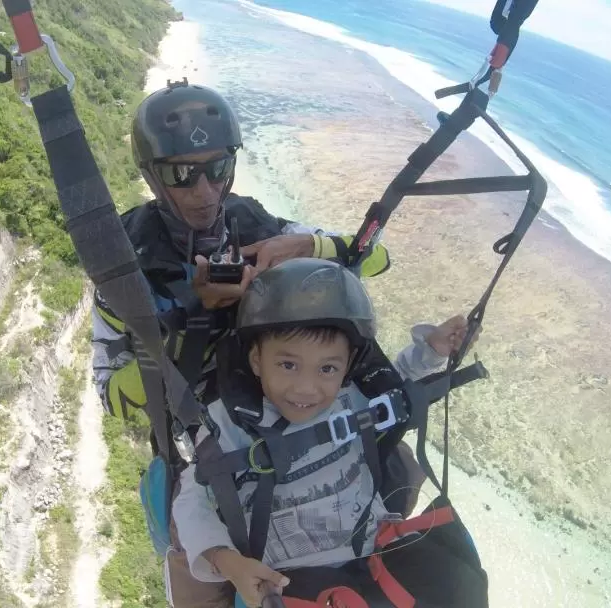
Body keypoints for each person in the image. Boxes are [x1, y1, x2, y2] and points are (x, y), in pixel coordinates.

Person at [169, 258, 482, 608]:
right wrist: (228, 561)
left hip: (377, 559)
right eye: (288, 365)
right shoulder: (231, 422)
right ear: (256, 360)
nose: (307, 388)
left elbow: (395, 385)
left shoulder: (351, 400)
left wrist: (433, 350)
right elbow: (190, 499)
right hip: (291, 581)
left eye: (327, 368)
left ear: (348, 366)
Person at [91, 78, 391, 428]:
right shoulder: (128, 265)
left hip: (288, 411)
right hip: (207, 438)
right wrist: (196, 323)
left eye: (217, 169)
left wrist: (312, 246)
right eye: (181, 173)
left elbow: (378, 258)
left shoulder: (254, 223)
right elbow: (111, 396)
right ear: (153, 176)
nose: (205, 192)